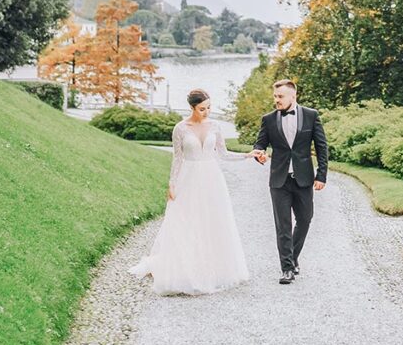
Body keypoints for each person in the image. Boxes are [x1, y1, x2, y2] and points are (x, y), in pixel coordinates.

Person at [129, 89, 252, 295]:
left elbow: (223, 154)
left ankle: (214, 268)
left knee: (213, 221)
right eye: (202, 109)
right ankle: (185, 267)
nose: (206, 112)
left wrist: (247, 155)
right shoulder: (180, 128)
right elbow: (177, 158)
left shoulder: (215, 126)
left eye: (209, 108)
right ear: (192, 108)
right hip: (189, 178)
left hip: (212, 179)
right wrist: (172, 184)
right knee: (186, 221)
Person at [251, 79, 328, 284]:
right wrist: (259, 154)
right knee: (283, 225)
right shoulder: (268, 119)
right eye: (275, 96)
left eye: (280, 96)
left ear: (293, 96)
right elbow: (260, 144)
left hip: (303, 179)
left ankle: (293, 258)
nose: (276, 100)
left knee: (305, 219)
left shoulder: (311, 116)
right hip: (279, 180)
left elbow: (322, 147)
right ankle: (287, 269)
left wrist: (321, 175)